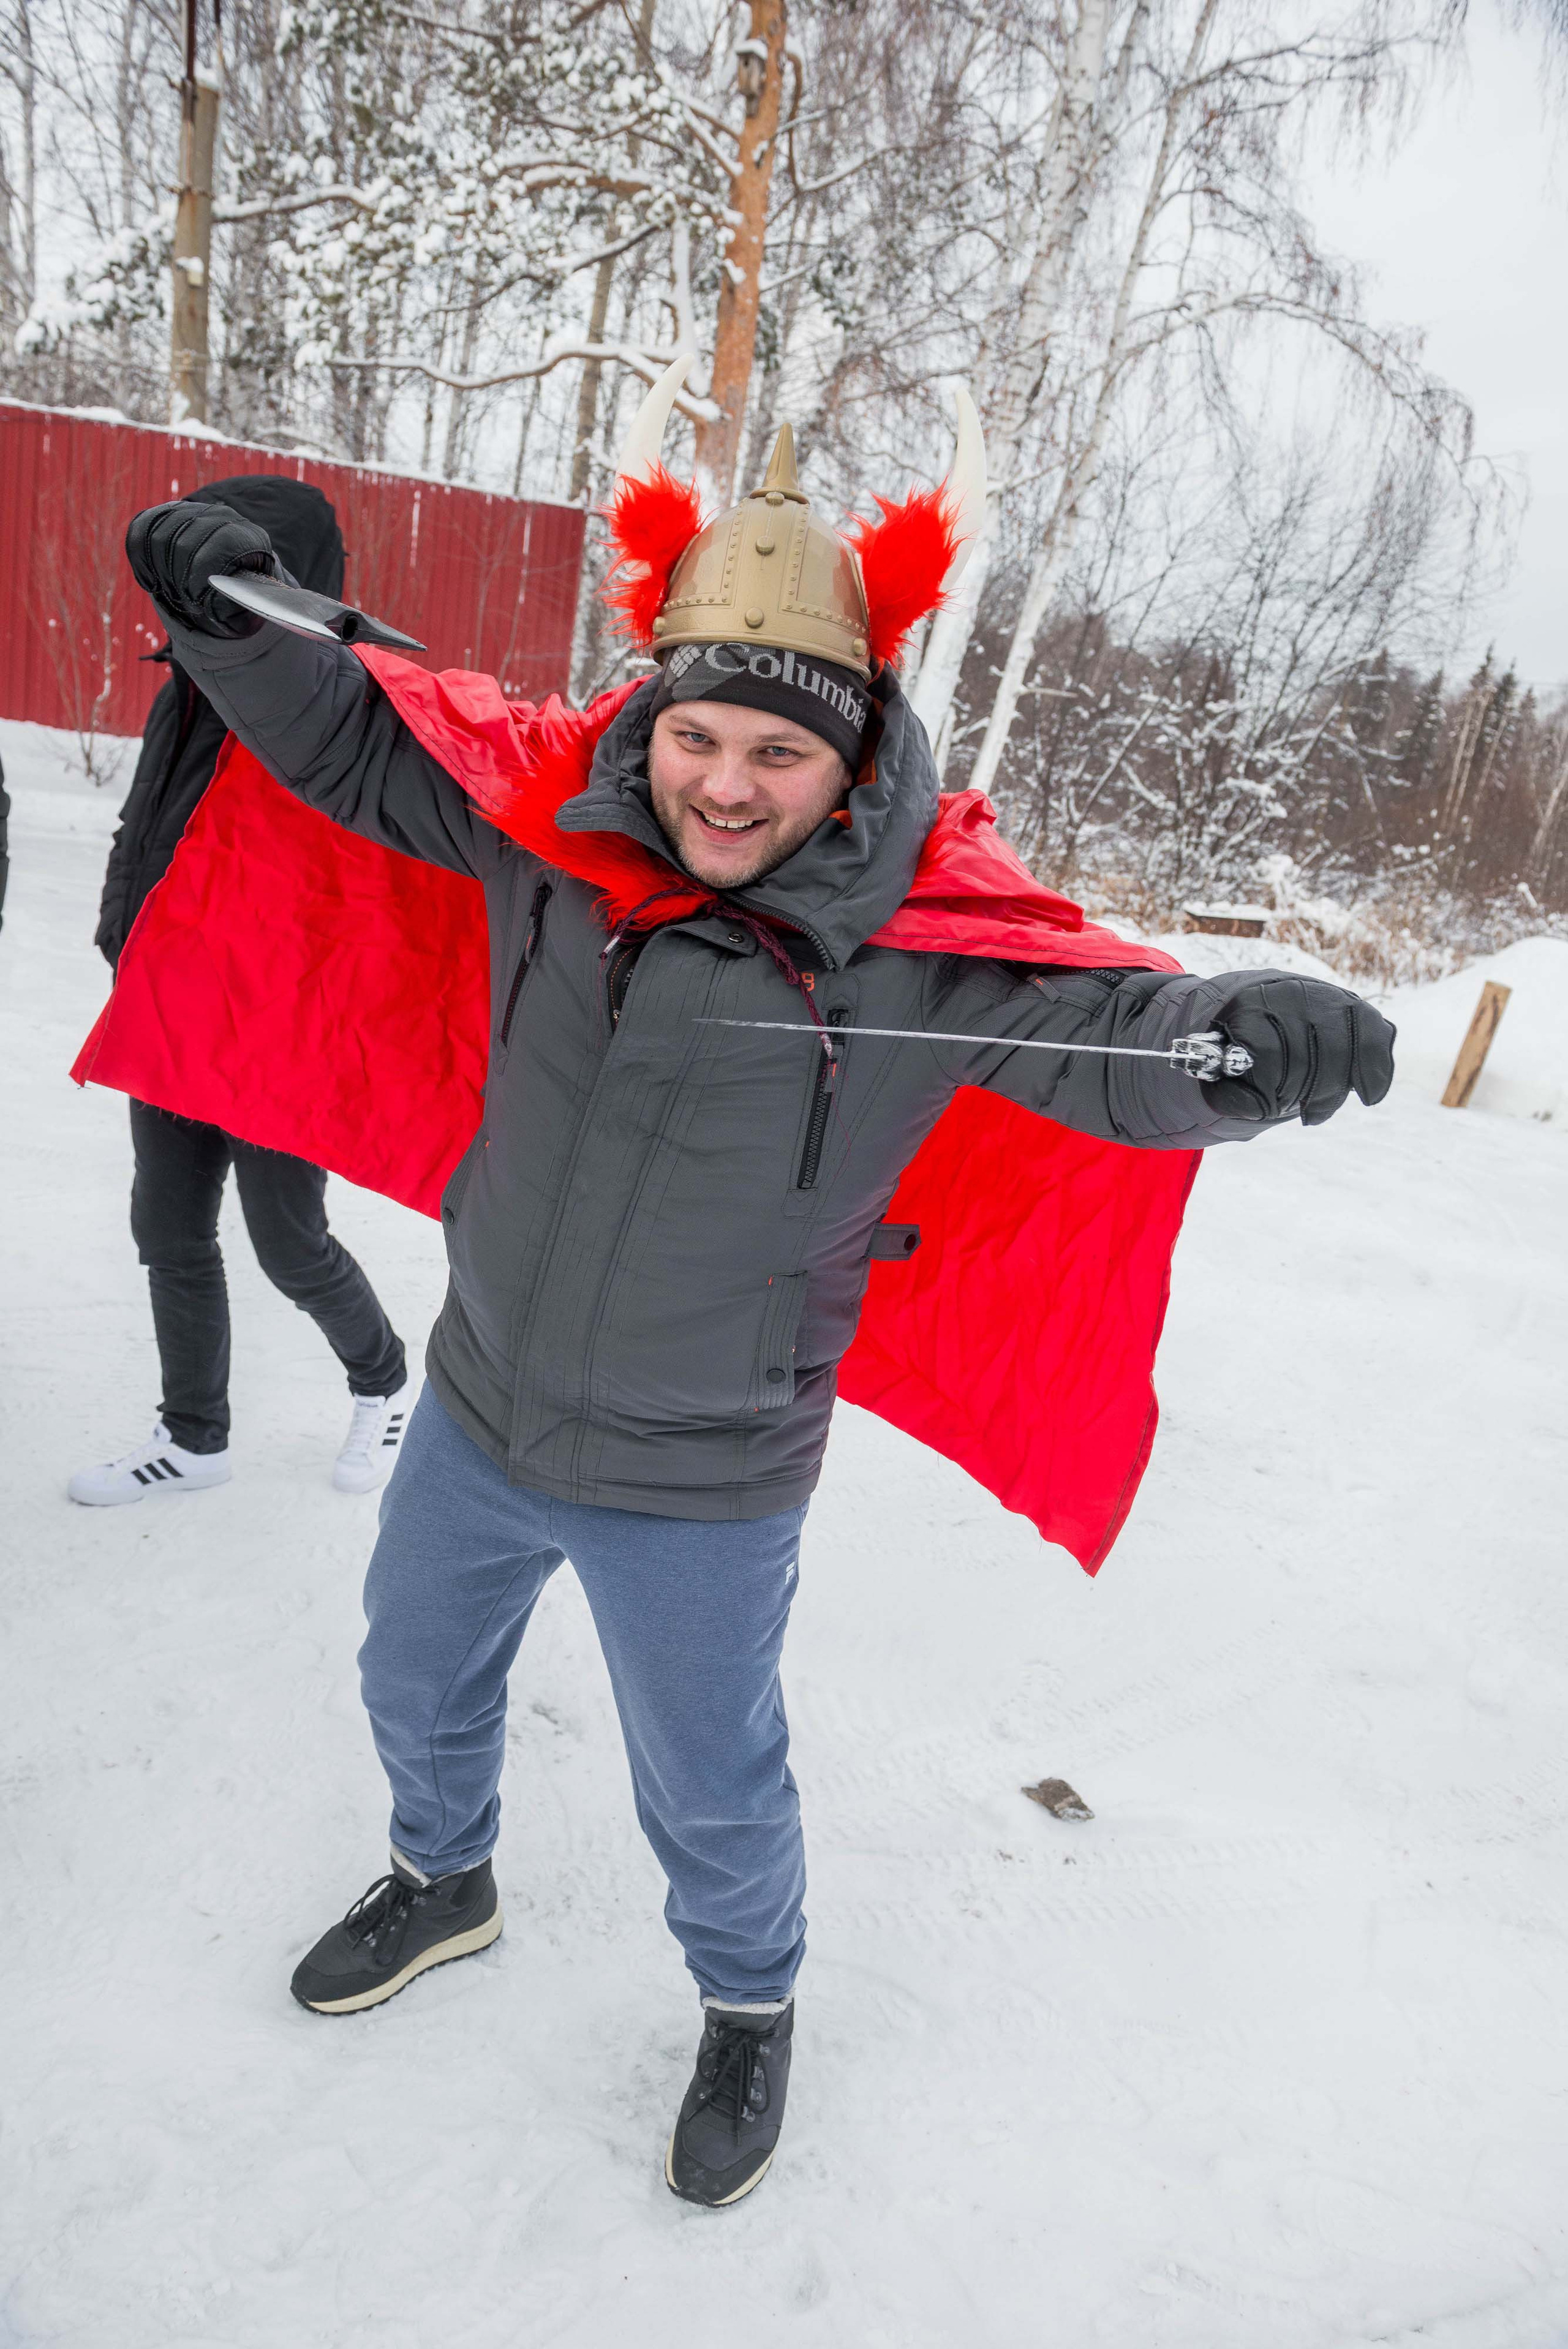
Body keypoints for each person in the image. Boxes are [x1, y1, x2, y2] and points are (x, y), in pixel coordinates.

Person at [114, 387, 1394, 2209]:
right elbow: (353, 739)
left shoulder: (924, 942)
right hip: (481, 1408)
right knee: (413, 1675)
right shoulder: (546, 839)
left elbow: (1119, 1043)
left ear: (855, 755)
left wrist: (1248, 1044)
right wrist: (213, 609)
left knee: (712, 1782)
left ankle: (749, 1998)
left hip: (703, 1476)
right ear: (653, 718)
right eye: (700, 736)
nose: (727, 783)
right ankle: (443, 1873)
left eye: (776, 759)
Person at [70, 474, 410, 1507]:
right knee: (167, 1231)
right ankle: (194, 1436)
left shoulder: (336, 710)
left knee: (288, 1242)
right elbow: (148, 829)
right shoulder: (184, 691)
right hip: (171, 1010)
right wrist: (121, 940)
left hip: (276, 1031)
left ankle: (386, 1384)